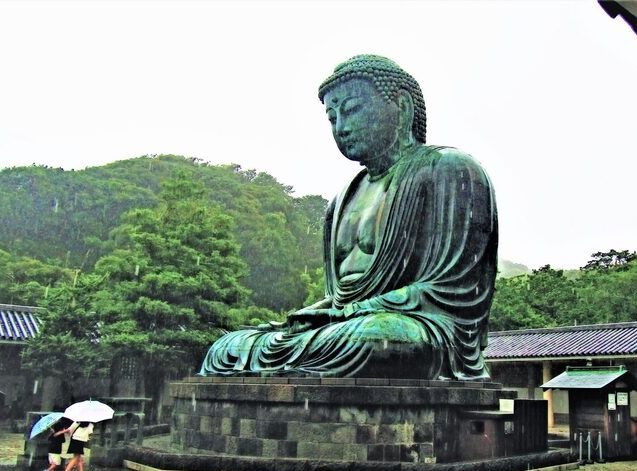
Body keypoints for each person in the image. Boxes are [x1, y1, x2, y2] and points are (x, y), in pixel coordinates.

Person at [199, 55, 498, 380]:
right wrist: (310, 316)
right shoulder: (342, 200)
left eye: (352, 109)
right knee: (228, 348)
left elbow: (455, 291)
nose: (341, 128)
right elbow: (338, 295)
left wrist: (352, 311)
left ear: (402, 108)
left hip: (415, 328)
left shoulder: (449, 170)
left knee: (375, 339)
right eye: (332, 117)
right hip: (341, 324)